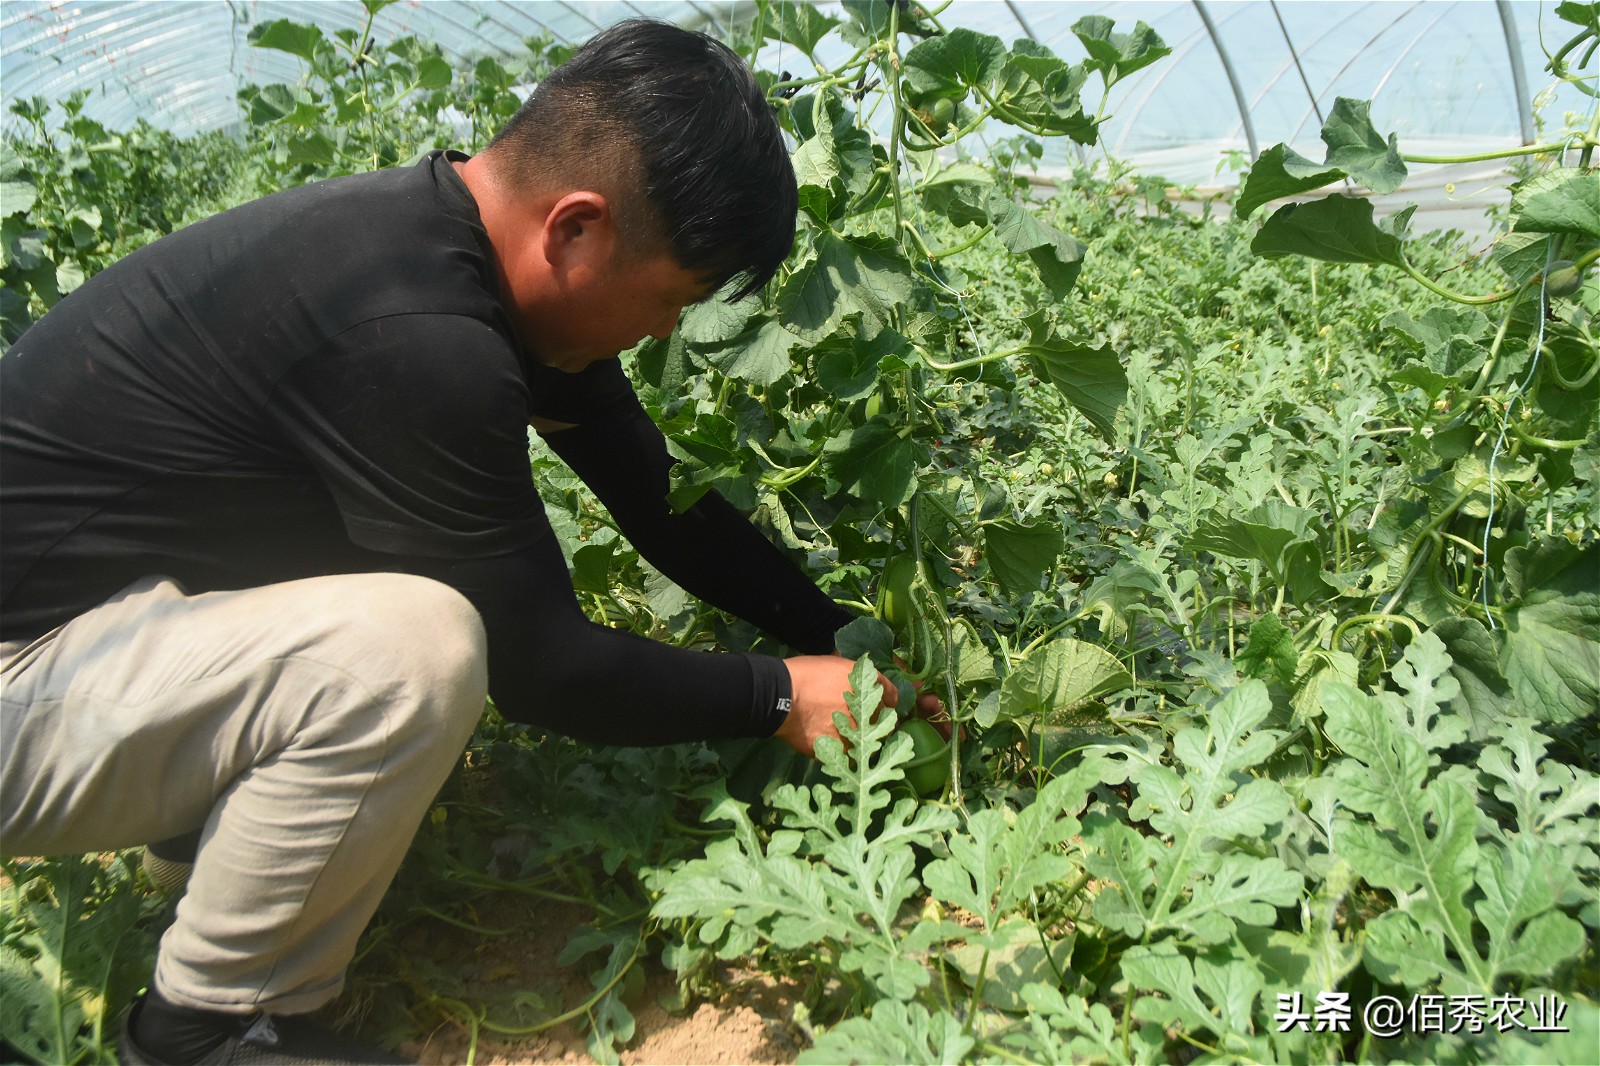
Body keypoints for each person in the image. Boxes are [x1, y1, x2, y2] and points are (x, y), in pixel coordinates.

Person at [0, 20, 904, 1065]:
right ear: (577, 229)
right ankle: (213, 1026)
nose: (664, 332)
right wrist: (779, 695)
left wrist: (833, 633)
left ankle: (199, 833)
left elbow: (654, 495)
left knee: (408, 559)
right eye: (671, 299)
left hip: (92, 633)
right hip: (22, 681)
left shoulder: (445, 250)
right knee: (414, 646)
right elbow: (544, 670)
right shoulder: (416, 333)